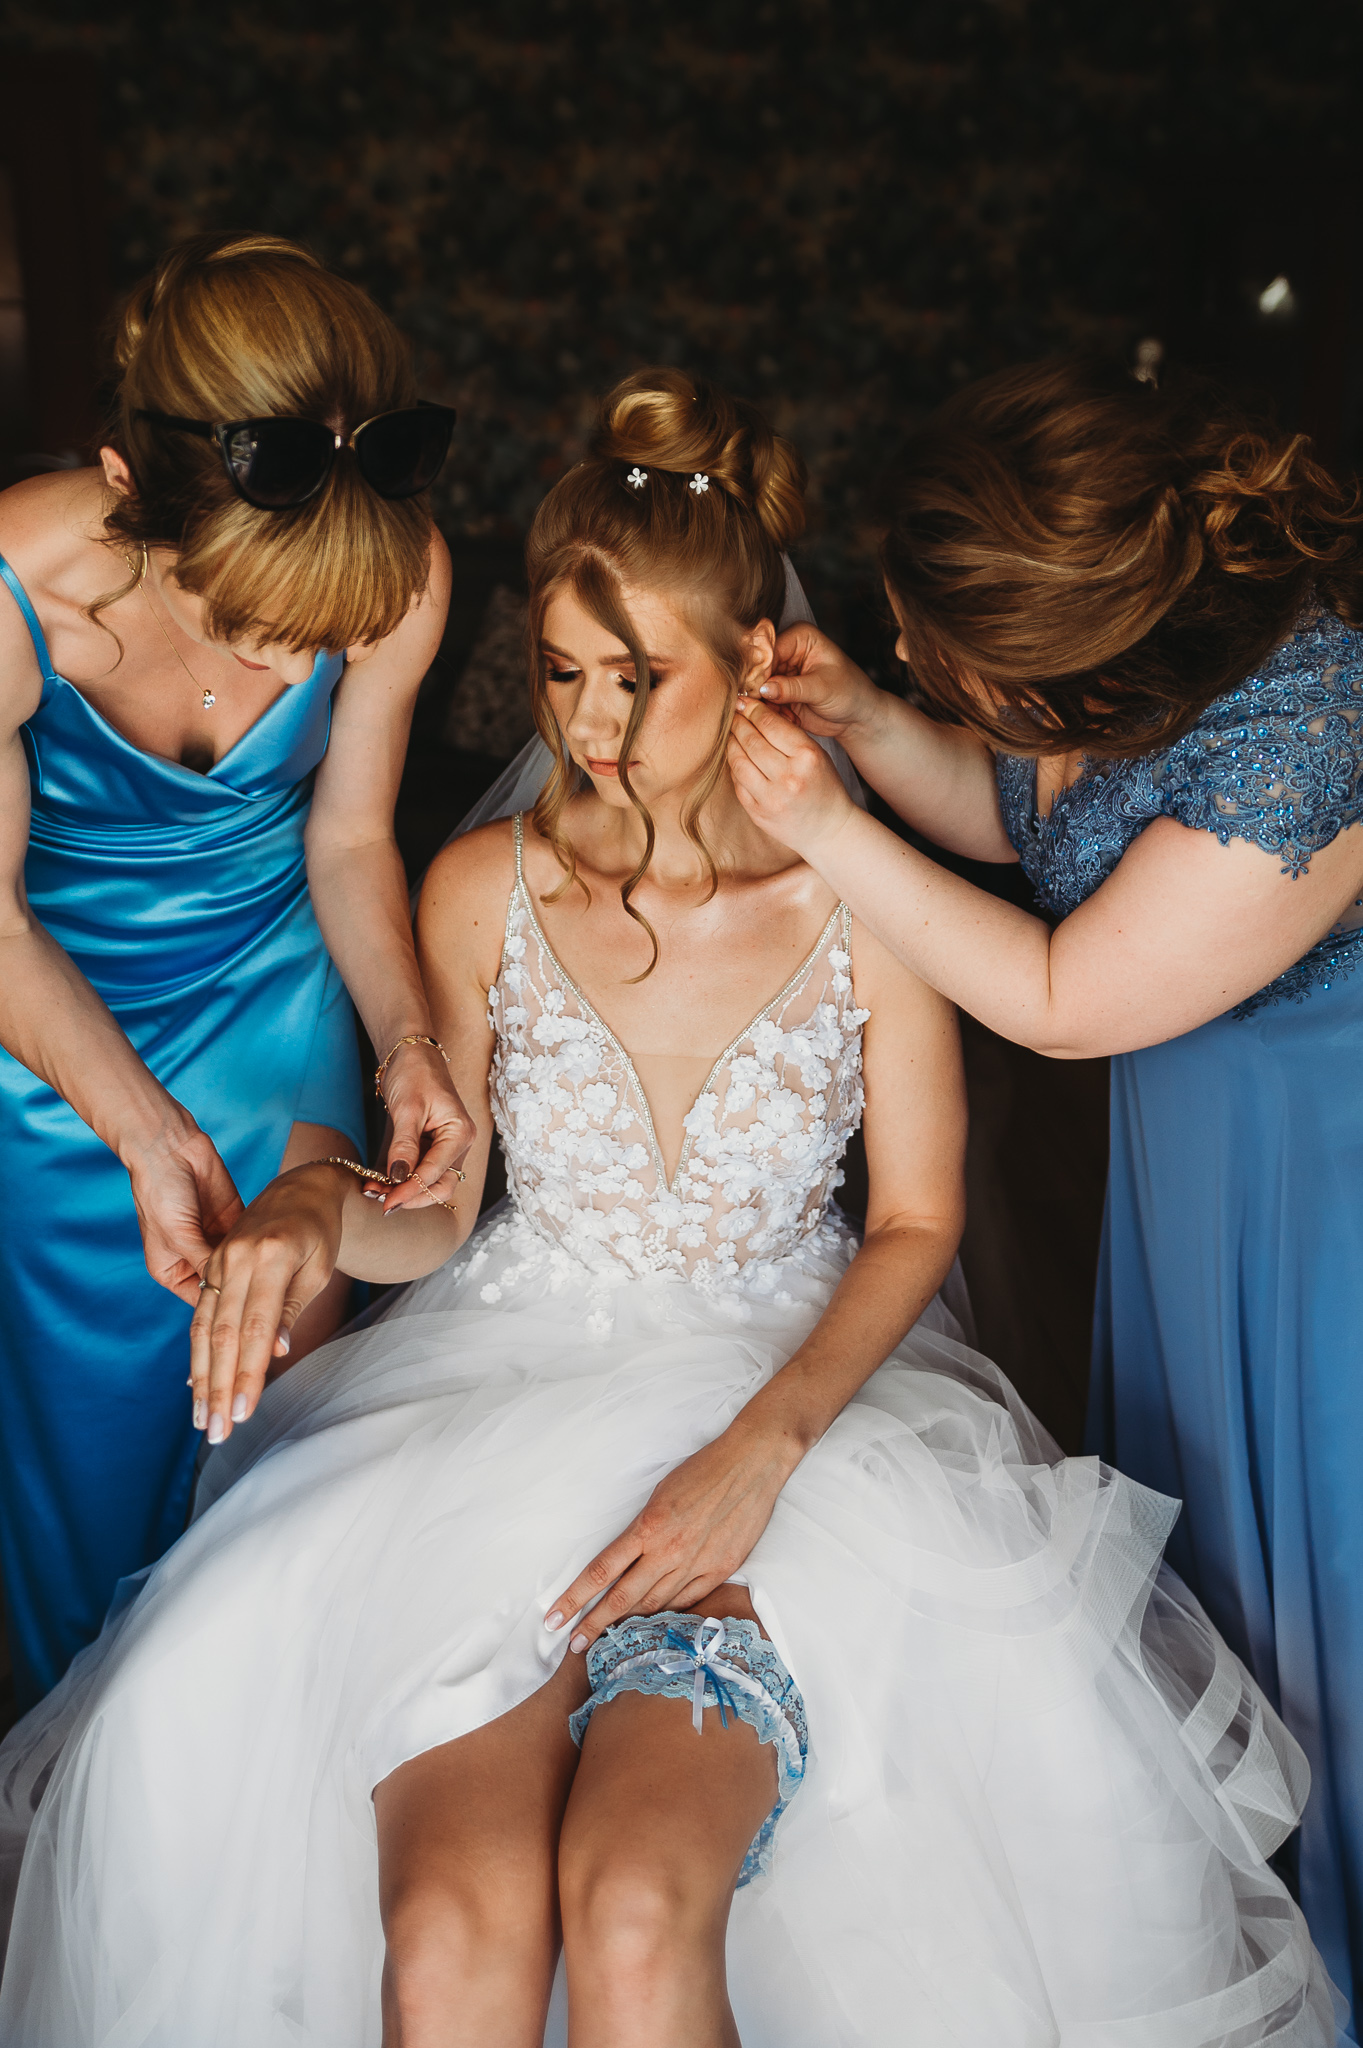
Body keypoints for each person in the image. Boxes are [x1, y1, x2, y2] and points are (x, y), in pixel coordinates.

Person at [0, 369, 1336, 2048]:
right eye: (562, 673)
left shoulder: (864, 905)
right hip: (496, 1400)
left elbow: (917, 1223)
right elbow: (438, 1212)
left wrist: (762, 1447)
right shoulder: (481, 887)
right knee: (449, 1927)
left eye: (640, 679)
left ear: (755, 664)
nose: (594, 725)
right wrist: (315, 1214)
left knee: (638, 1906)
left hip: (794, 1416)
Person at [725, 352, 1363, 2027]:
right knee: (1221, 1585)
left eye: (937, 662)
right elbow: (1034, 829)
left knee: (1334, 1599)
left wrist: (830, 830)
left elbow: (1065, 996)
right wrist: (871, 724)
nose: (915, 668)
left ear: (1060, 662)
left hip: (1322, 1210)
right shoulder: (1108, 682)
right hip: (1192, 1190)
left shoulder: (1313, 730)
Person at [0, 231, 476, 1712]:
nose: (284, 657)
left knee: (271, 1414)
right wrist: (142, 1130)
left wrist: (407, 1042)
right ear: (123, 487)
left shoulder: (393, 556)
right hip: (42, 1016)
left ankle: (234, 1737)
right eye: (243, 617)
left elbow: (350, 838)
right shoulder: (13, 588)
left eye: (313, 636)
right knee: (72, 1442)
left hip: (279, 988)